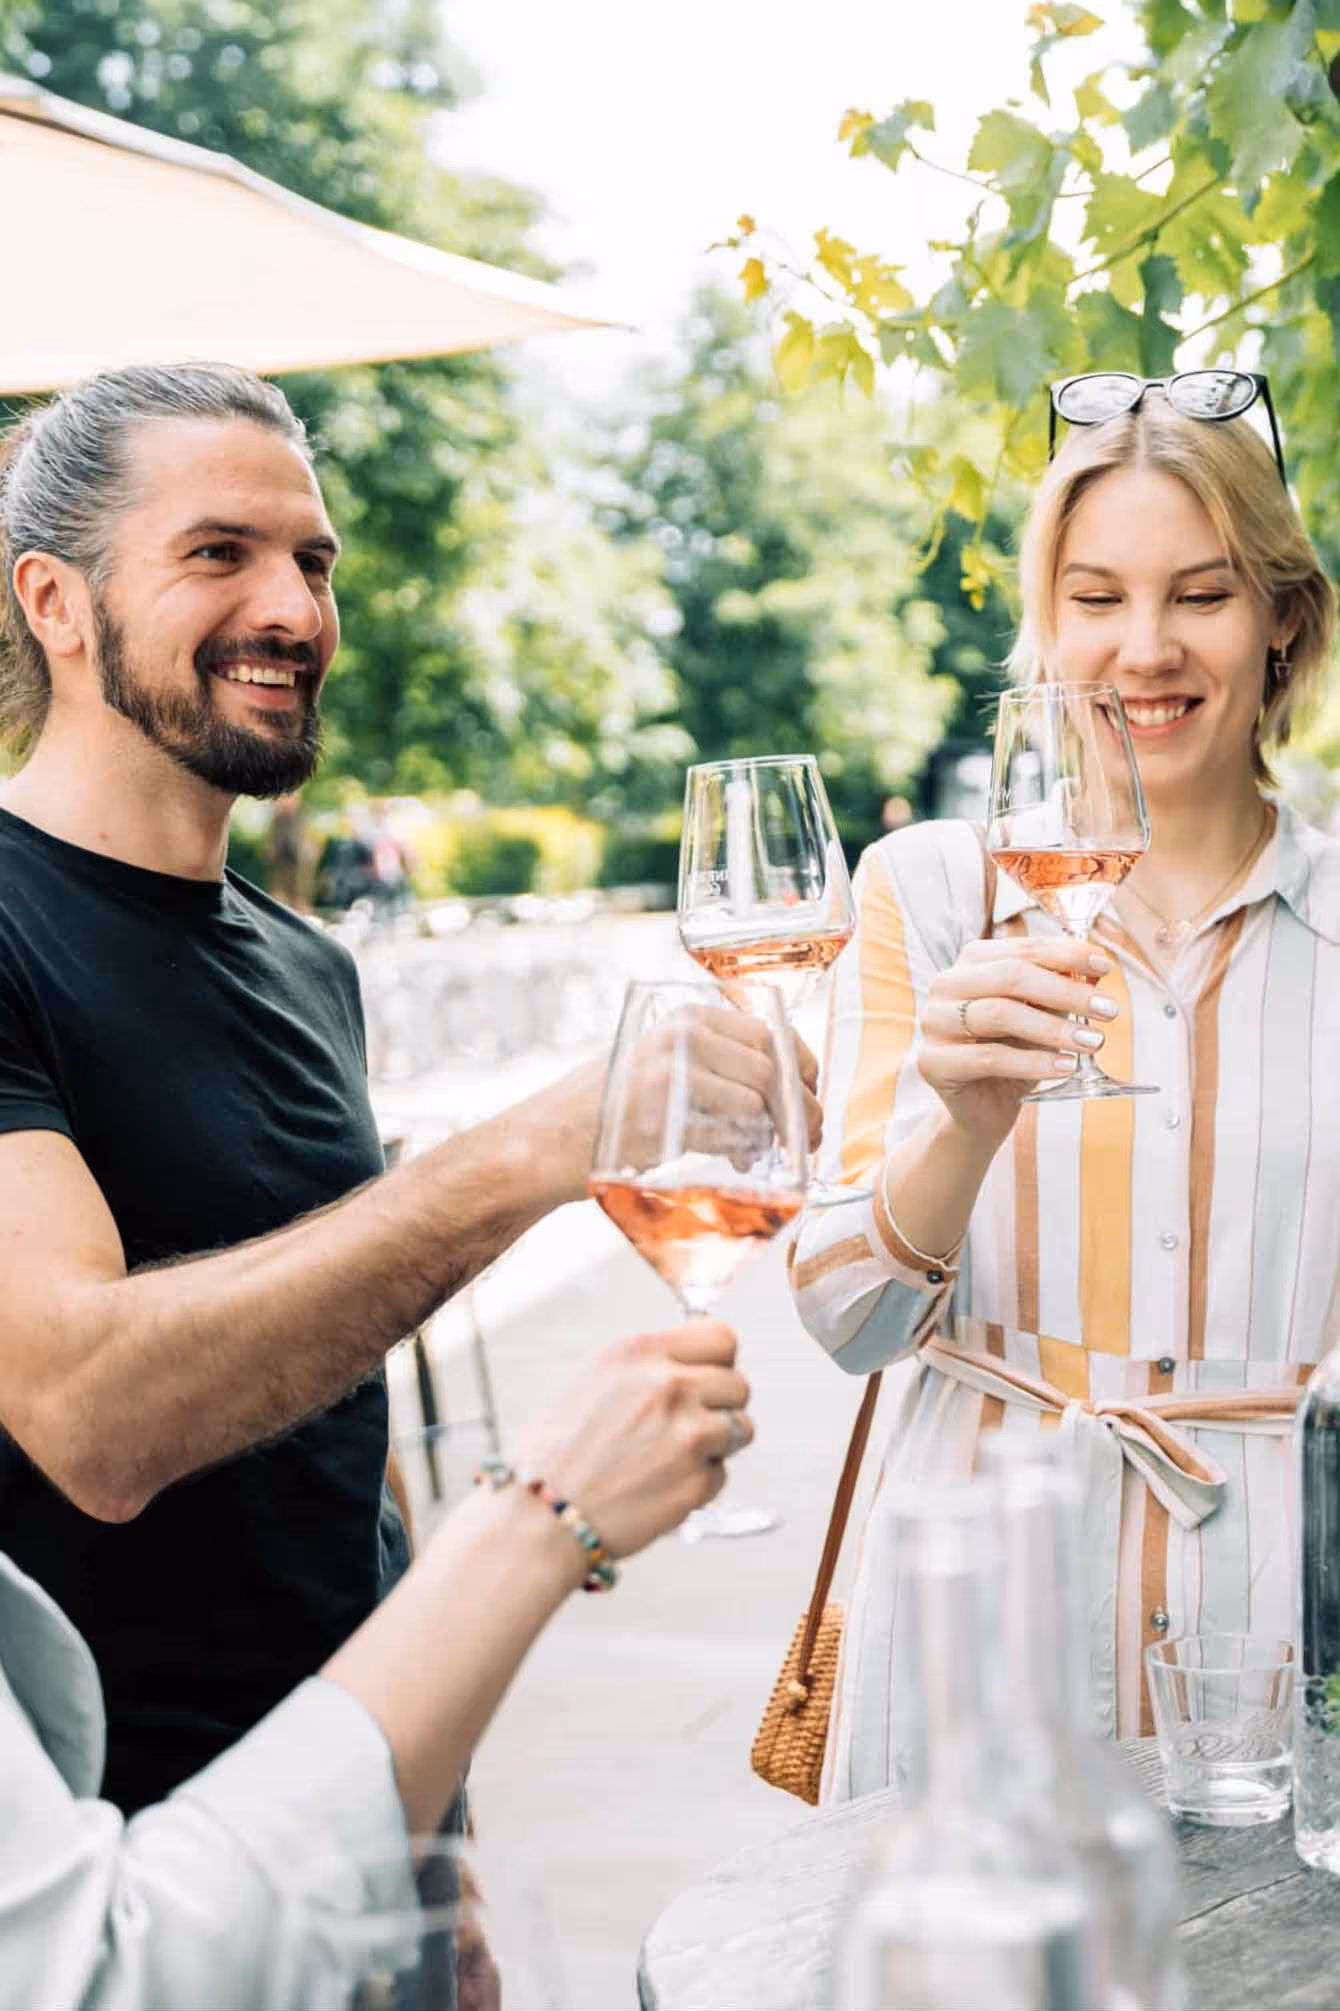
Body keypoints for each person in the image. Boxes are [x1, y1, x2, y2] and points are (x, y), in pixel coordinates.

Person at [0, 361, 820, 1818]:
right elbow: (89, 1414)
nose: (294, 609)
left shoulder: (309, 964)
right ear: (54, 602)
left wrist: (441, 1830)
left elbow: (341, 1436)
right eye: (218, 553)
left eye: (313, 559)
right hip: (103, 1874)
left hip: (354, 1827)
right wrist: (532, 1151)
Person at [791, 378, 1338, 1800]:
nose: (1144, 649)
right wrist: (959, 1121)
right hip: (978, 1619)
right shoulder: (931, 890)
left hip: (1273, 1639)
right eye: (1095, 596)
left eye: (1203, 593)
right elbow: (845, 1318)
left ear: (1282, 611)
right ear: (1047, 622)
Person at [0, 1318, 752, 2008]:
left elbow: (354, 1422)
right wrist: (539, 1514)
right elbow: (102, 1979)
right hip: (196, 1806)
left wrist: (427, 1829)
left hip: (340, 1798)